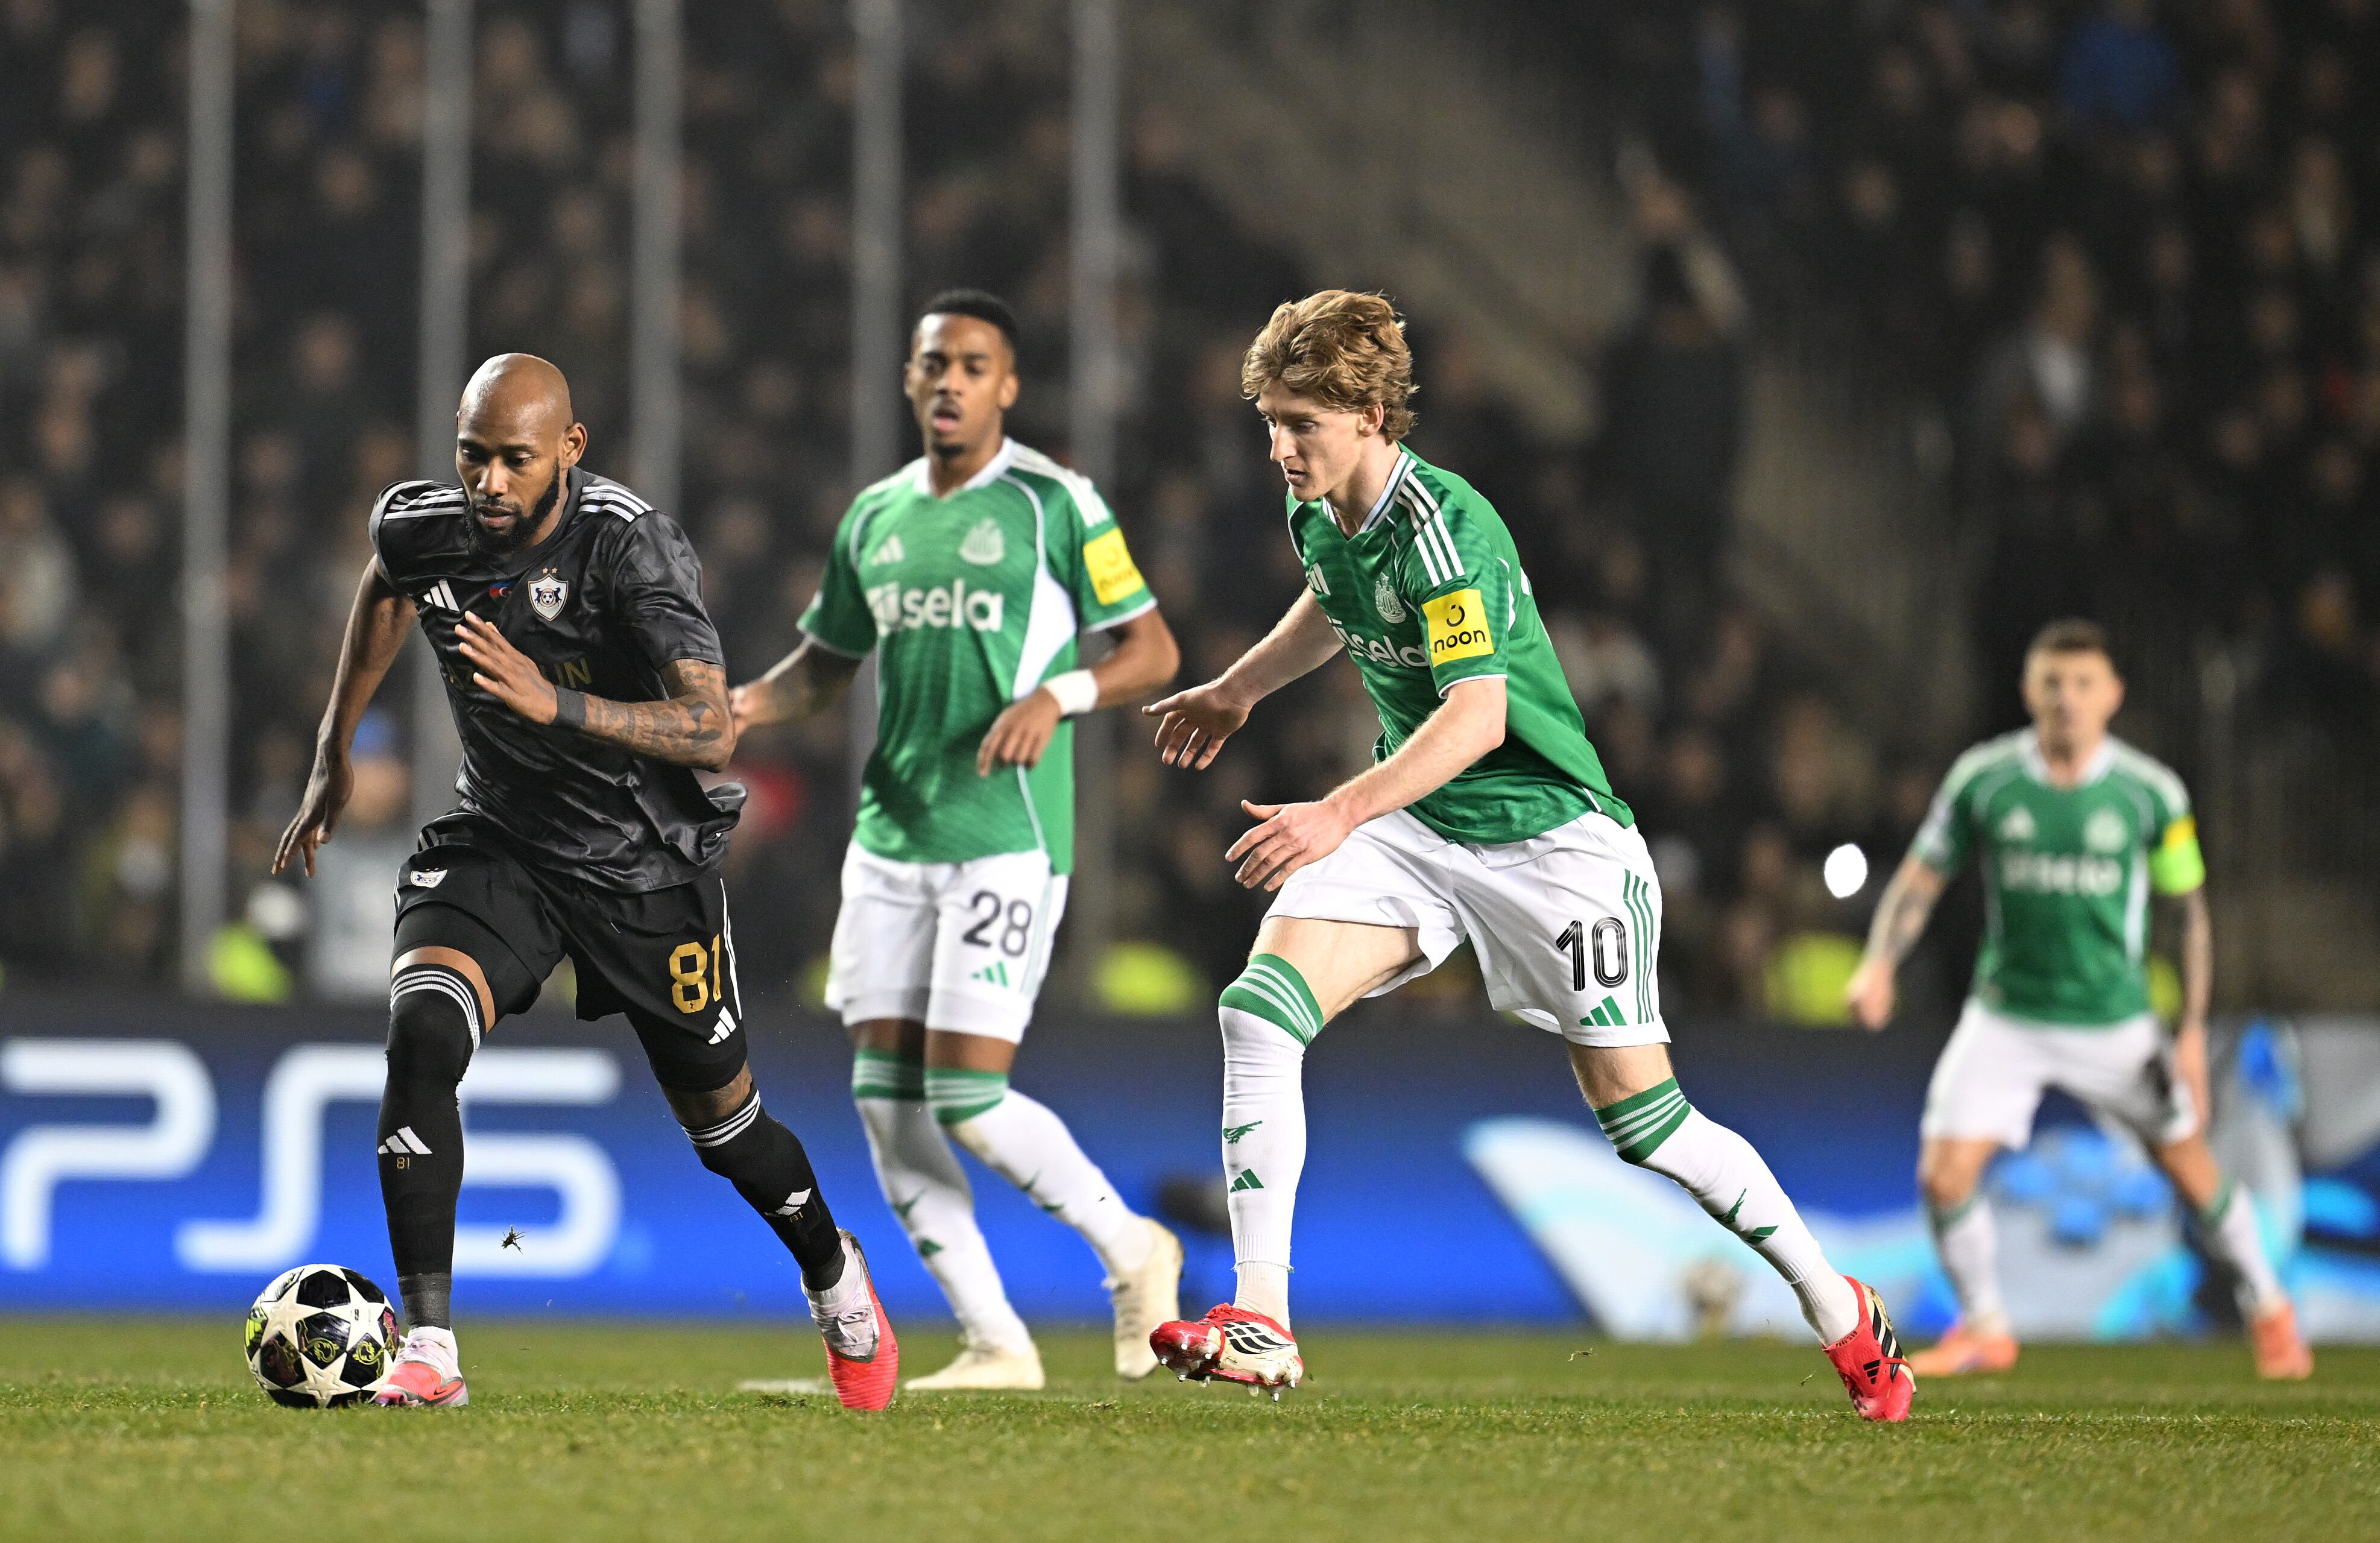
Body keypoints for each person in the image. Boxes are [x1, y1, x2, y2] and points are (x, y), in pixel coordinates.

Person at [1141, 291, 1913, 1420]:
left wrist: (1339, 811)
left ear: (1368, 412)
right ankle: (1263, 1316)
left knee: (1646, 1122)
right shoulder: (1319, 516)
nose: (1278, 445)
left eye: (1300, 421)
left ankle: (1838, 1307)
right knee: (1258, 1011)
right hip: (1421, 830)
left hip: (1551, 843)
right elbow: (1334, 602)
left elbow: (1478, 717)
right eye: (1270, 419)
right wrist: (1238, 688)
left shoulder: (1445, 524)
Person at [274, 354, 897, 1411]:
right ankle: (431, 1346)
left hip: (640, 860)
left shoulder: (627, 546)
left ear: (571, 446)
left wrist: (555, 705)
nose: (489, 483)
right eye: (472, 455)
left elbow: (710, 725)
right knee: (422, 1031)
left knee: (728, 1131)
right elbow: (388, 583)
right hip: (501, 841)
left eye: (515, 459)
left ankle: (834, 1273)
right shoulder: (426, 525)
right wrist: (334, 745)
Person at [731, 291, 1185, 1390]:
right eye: (934, 363)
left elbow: (1155, 649)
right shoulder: (875, 516)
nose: (950, 381)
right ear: (908, 378)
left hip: (1004, 833)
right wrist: (740, 705)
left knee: (968, 1096)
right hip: (893, 836)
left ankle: (1135, 1247)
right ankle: (995, 1340)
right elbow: (825, 668)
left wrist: (1060, 693)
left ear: (1007, 386)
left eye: (973, 365)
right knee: (886, 1101)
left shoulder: (1053, 502)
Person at [1846, 619, 2312, 1380]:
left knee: (2188, 1169)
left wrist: (2191, 1032)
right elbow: (1921, 877)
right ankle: (1986, 1329)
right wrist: (1877, 966)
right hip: (2006, 1015)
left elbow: (2186, 913)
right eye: (2052, 683)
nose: (2066, 699)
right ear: (2027, 691)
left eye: (2083, 684)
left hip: (2114, 1024)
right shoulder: (1983, 779)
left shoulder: (2150, 794)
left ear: (2112, 696)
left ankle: (2269, 1307)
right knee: (1942, 1176)